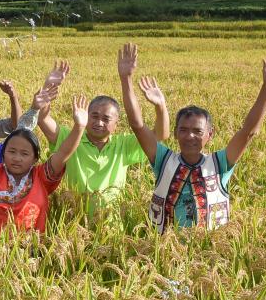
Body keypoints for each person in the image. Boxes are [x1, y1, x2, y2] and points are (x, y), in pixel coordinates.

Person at [119, 43, 266, 233]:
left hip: (208, 250)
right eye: (183, 130)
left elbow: (248, 132)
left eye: (197, 131)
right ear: (175, 133)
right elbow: (137, 125)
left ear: (210, 134)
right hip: (163, 250)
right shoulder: (163, 160)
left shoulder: (220, 164)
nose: (190, 136)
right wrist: (126, 79)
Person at [32, 59, 170, 221]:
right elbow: (42, 119)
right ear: (86, 115)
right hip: (74, 225)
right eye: (94, 116)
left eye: (106, 119)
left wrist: (160, 106)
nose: (99, 122)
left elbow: (159, 136)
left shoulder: (123, 145)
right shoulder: (71, 138)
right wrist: (48, 86)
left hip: (111, 226)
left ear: (116, 124)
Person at [0, 86, 88, 235]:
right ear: (3, 154)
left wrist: (79, 127)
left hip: (33, 253)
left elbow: (63, 152)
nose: (17, 158)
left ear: (35, 158)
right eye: (12, 151)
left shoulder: (41, 177)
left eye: (24, 153)